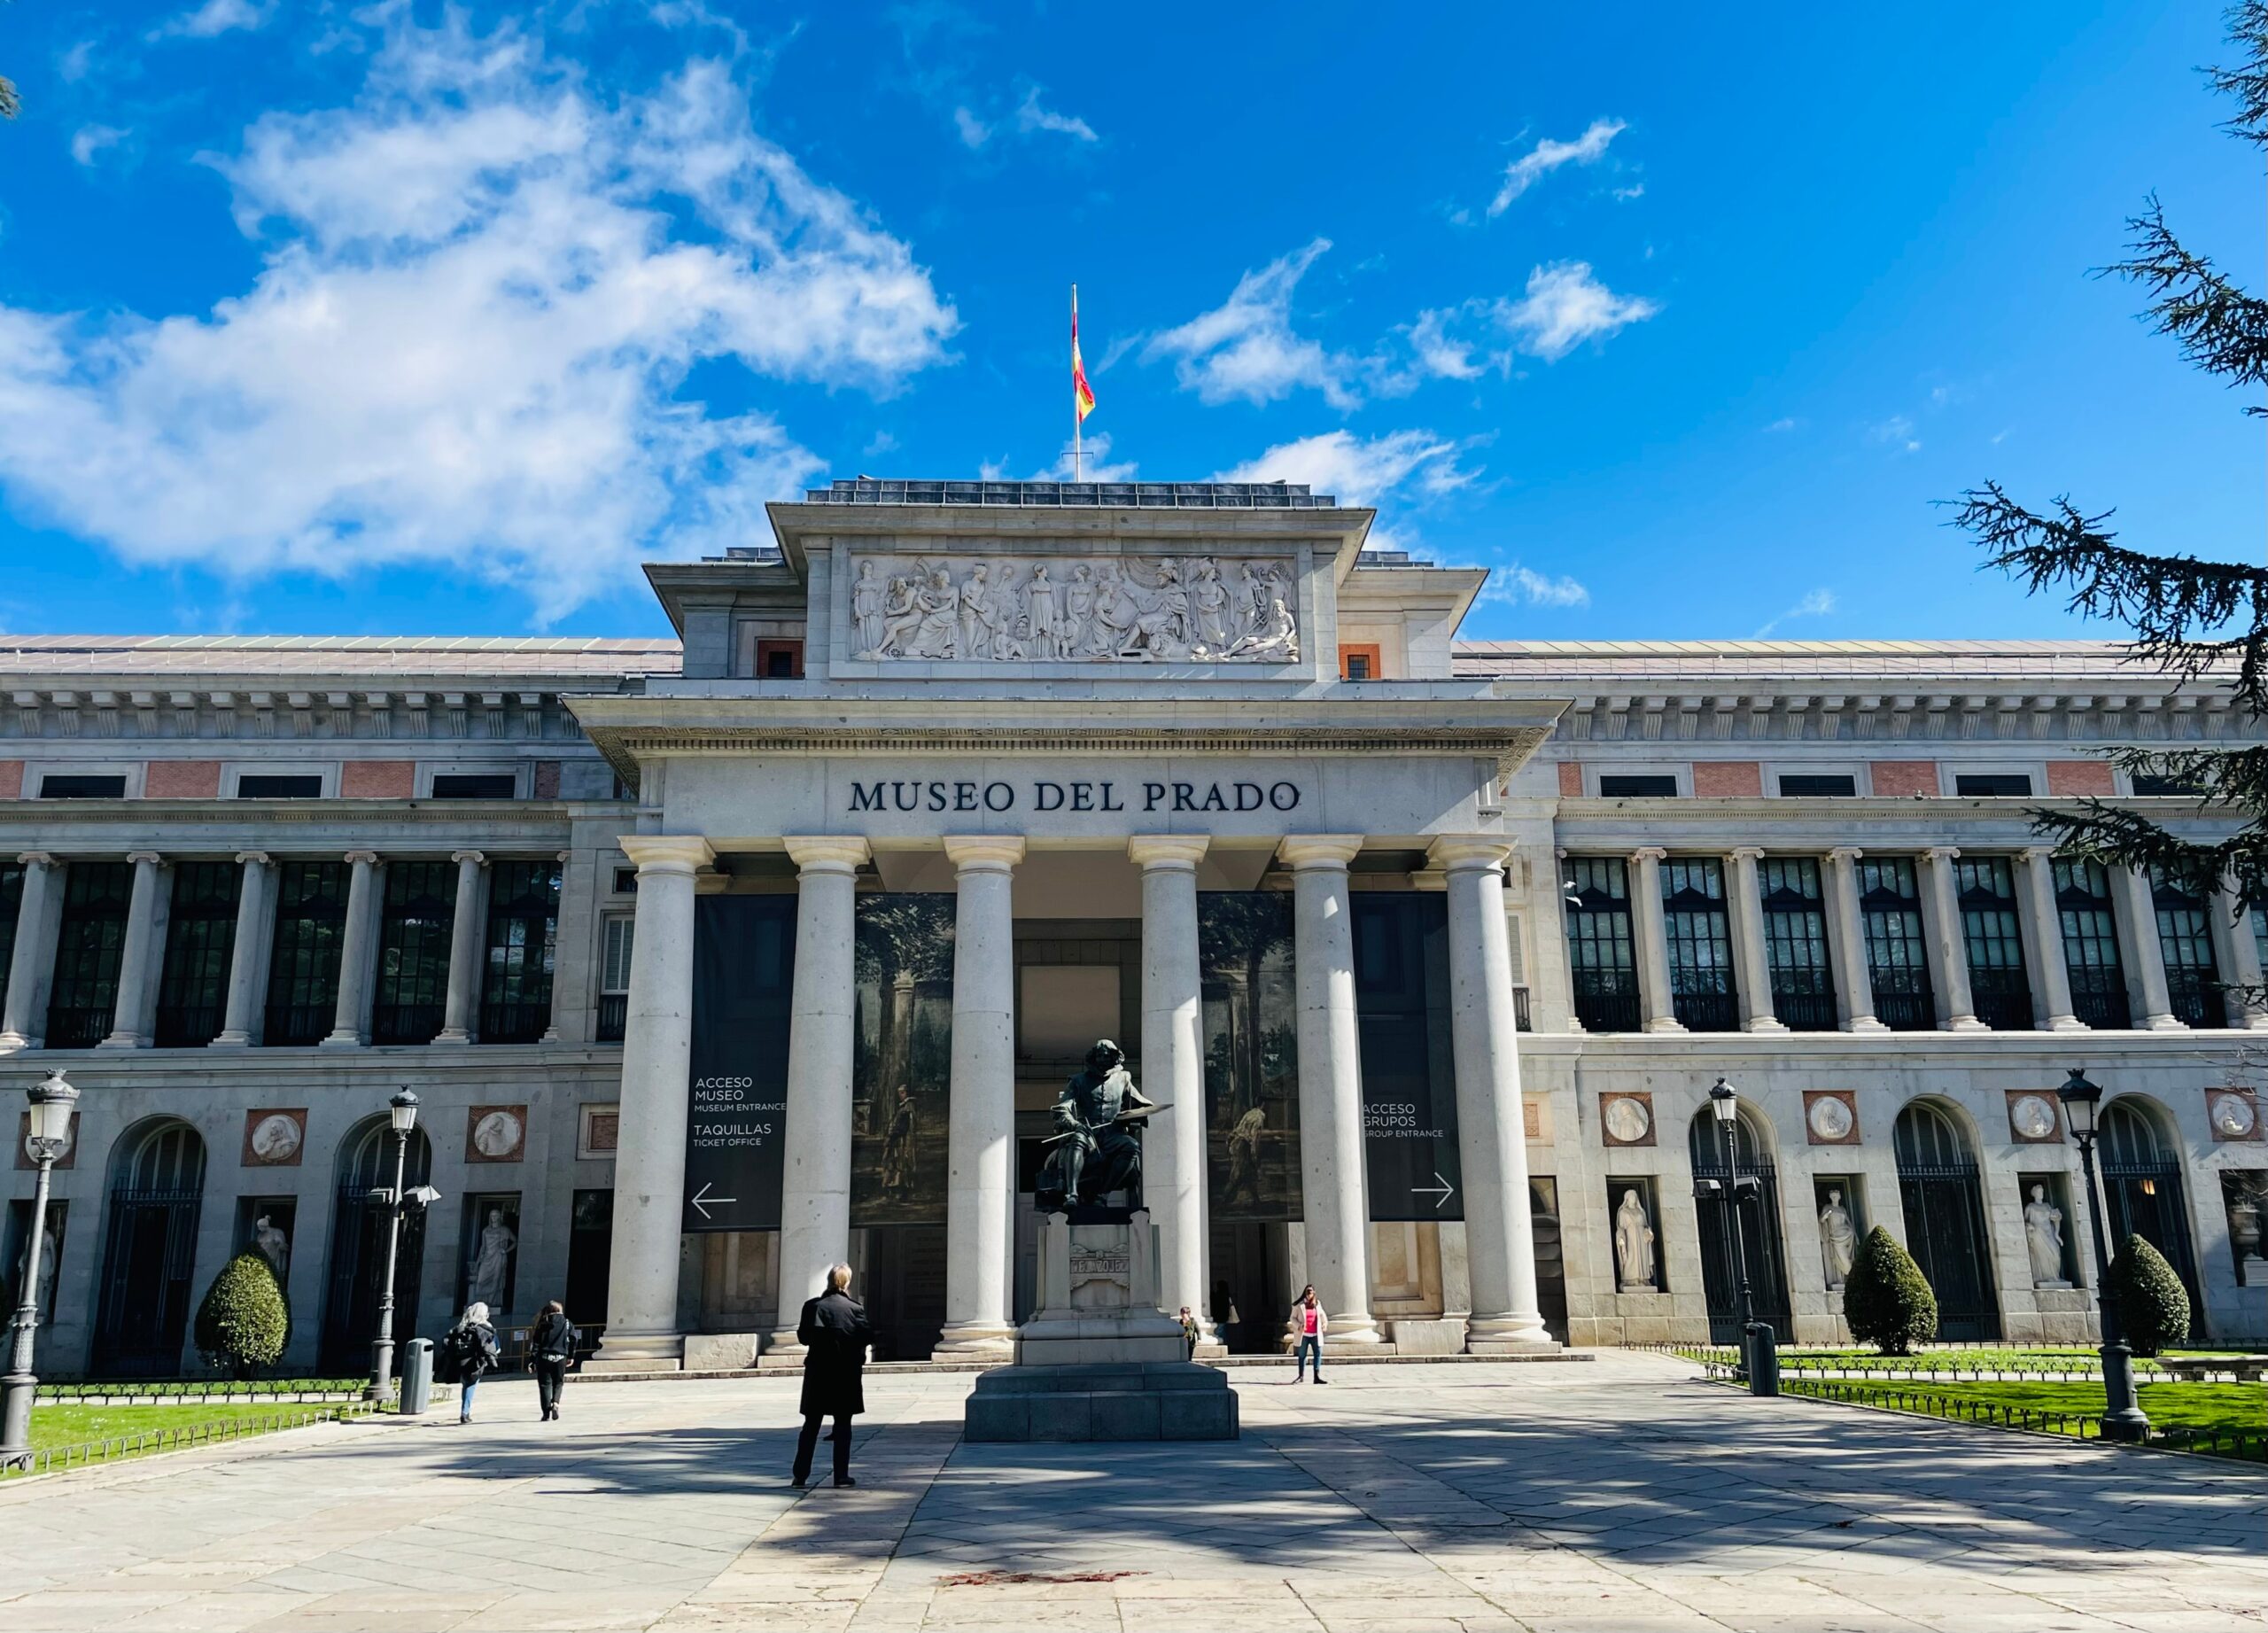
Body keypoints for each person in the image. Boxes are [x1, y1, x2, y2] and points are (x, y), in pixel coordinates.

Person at [792, 1263, 873, 1489]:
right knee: (843, 1425)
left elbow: (804, 1338)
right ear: (847, 1282)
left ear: (829, 1281)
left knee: (811, 1426)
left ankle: (800, 1475)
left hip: (818, 1373)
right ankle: (841, 1476)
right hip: (845, 1374)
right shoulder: (855, 1308)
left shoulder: (812, 1307)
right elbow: (867, 1335)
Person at [447, 1302, 500, 1424]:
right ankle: (465, 1413)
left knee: (466, 1385)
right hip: (475, 1361)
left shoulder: (462, 1326)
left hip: (461, 1359)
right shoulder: (485, 1327)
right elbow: (493, 1347)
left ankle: (465, 1410)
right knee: (471, 1385)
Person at [529, 1299, 577, 1421]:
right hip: (561, 1357)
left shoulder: (542, 1323)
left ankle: (546, 1413)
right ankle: (555, 1403)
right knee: (558, 1382)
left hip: (544, 1357)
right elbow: (573, 1339)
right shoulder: (567, 1323)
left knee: (545, 1384)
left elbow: (536, 1343)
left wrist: (532, 1360)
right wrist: (571, 1355)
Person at [1292, 1286, 1328, 1384]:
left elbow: (1323, 1316)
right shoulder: (1299, 1305)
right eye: (1307, 1292)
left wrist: (1324, 1324)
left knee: (1318, 1354)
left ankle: (1316, 1376)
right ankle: (1301, 1376)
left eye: (1311, 1292)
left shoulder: (1317, 1304)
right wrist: (1299, 1326)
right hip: (1304, 1334)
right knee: (1302, 1355)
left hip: (1315, 1334)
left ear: (1314, 1293)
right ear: (1305, 1293)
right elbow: (1293, 1318)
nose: (1309, 1294)